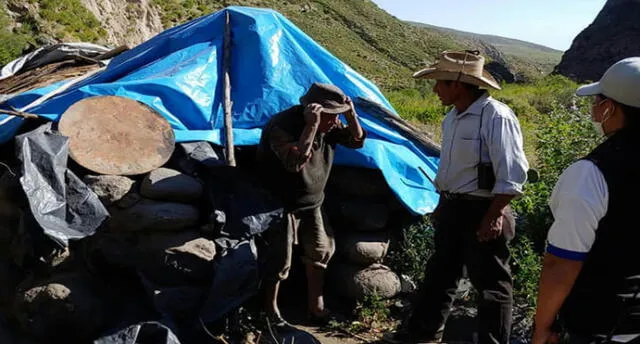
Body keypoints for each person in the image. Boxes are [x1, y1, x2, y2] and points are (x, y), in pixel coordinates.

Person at [385, 50, 529, 344]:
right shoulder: (453, 117)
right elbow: (451, 169)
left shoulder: (496, 116)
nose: (436, 89)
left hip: (484, 209)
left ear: (458, 85)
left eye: (440, 83)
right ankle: (423, 332)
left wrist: (494, 216)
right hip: (453, 207)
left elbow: (512, 174)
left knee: (491, 286)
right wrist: (442, 204)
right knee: (440, 274)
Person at [532, 57, 640, 344]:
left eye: (598, 101)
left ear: (609, 109)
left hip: (604, 325)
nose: (593, 110)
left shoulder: (591, 174)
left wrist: (542, 326)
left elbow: (561, 263)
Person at [257, 82, 366, 326]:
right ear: (315, 111)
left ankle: (316, 307)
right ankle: (270, 312)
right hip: (279, 203)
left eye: (336, 116)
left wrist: (351, 116)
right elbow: (295, 162)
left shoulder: (330, 124)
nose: (334, 122)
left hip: (312, 202)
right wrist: (312, 127)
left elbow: (357, 140)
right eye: (331, 116)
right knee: (279, 260)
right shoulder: (282, 126)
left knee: (320, 251)